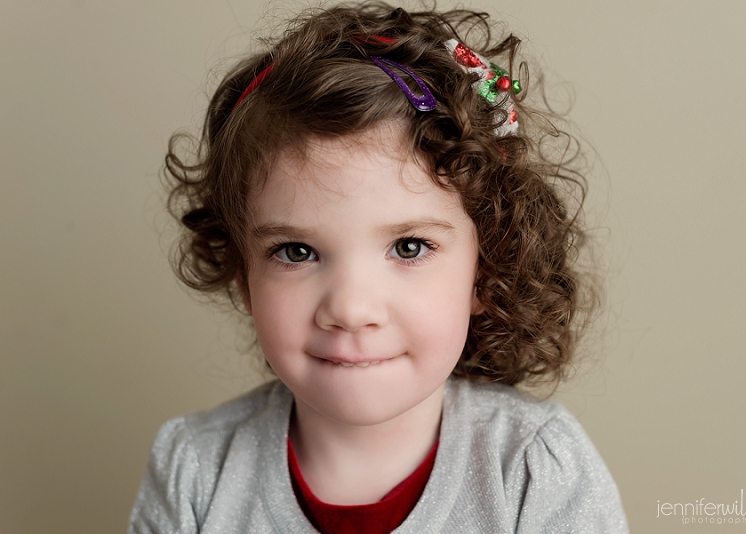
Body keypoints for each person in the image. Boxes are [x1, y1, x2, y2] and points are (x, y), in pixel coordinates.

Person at [129, 2, 628, 532]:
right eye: (296, 252)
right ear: (243, 278)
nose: (350, 308)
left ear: (487, 269)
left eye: (409, 247)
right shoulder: (196, 469)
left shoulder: (533, 469)